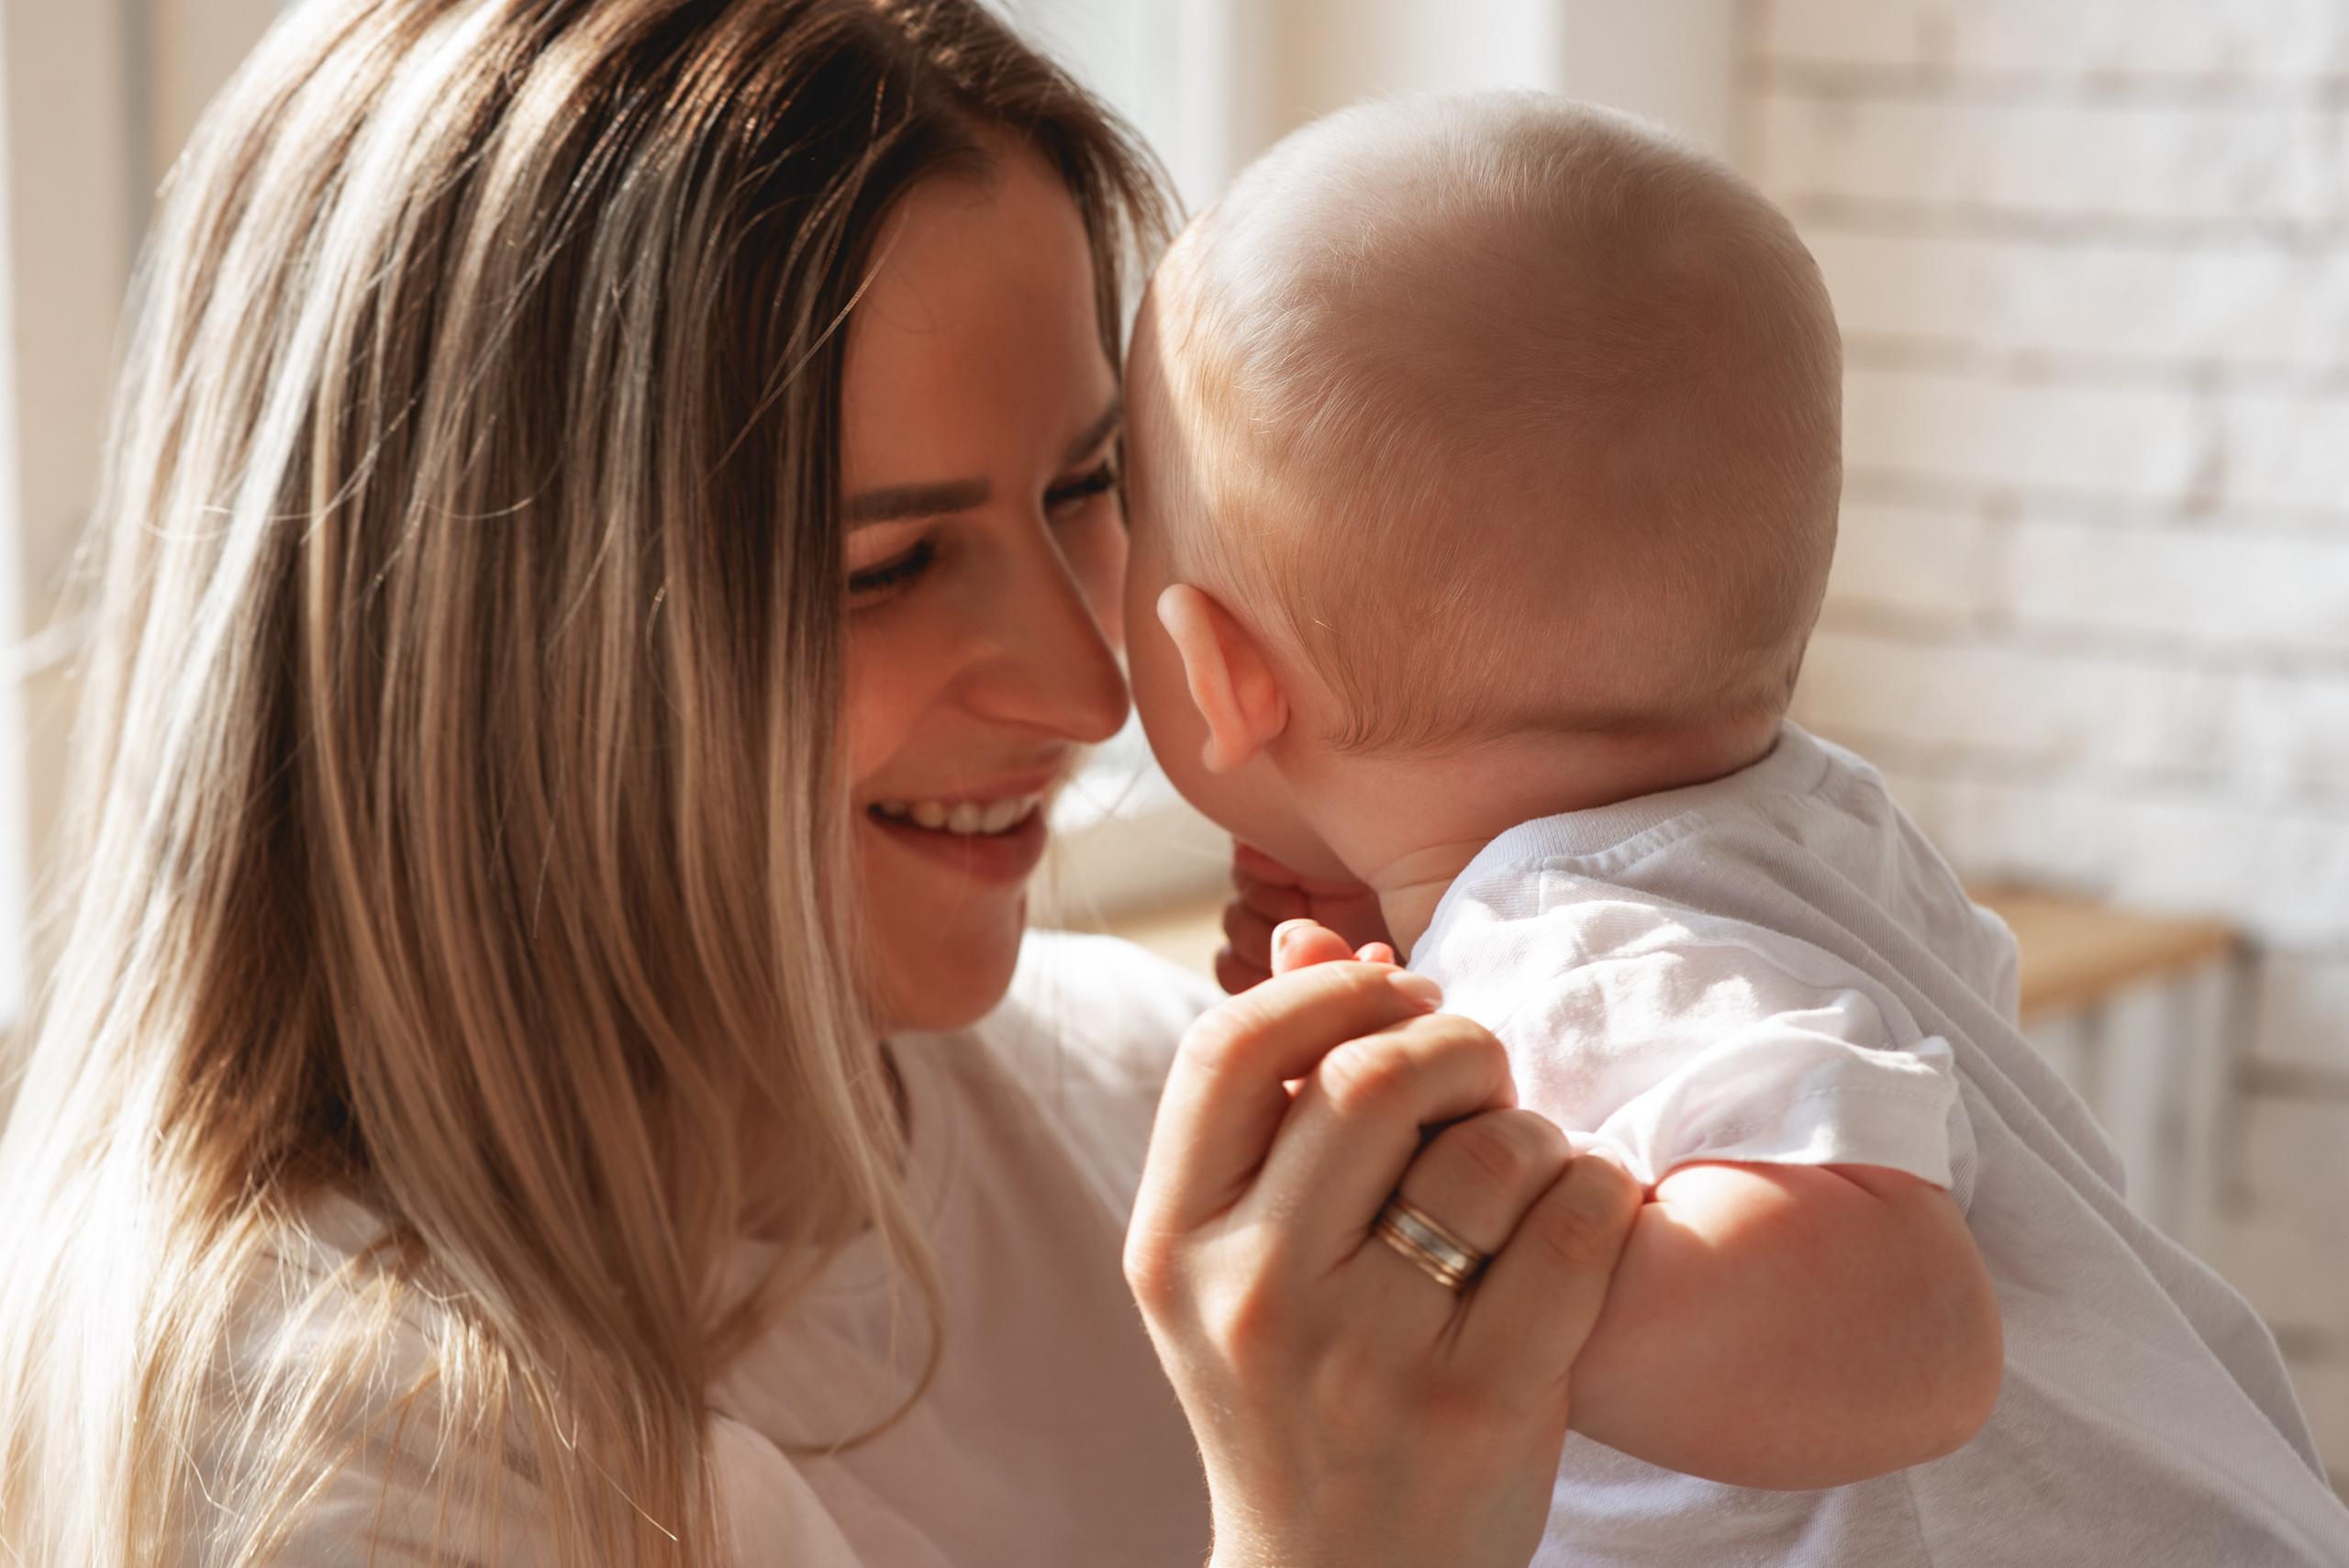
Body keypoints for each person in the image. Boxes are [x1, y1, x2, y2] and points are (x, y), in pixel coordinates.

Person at [0, 7, 1641, 1567]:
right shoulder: (313, 1435)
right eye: (894, 562)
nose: (1089, 688)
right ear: (473, 651)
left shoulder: (1137, 1103)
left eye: (1088, 484)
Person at [1122, 90, 2349, 1565]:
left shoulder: (1575, 961)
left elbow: (1916, 1332)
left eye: (1118, 510)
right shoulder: (1822, 828)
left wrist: (1462, 1267)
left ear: (1223, 674)